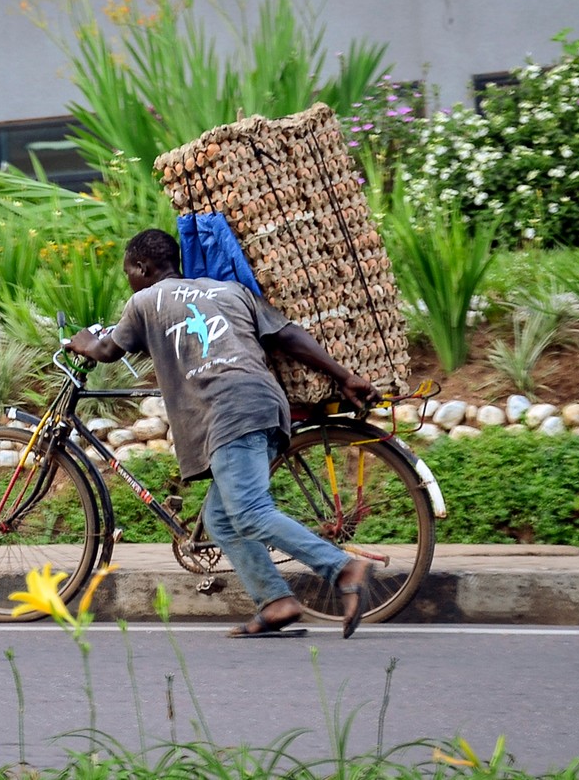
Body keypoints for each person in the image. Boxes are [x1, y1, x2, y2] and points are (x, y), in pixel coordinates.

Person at [65, 228, 384, 639]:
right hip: (265, 403)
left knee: (249, 511)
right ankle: (276, 602)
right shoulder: (228, 290)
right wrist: (345, 376)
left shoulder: (144, 300)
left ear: (142, 268)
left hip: (229, 410)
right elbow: (286, 335)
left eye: (129, 271)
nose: (129, 278)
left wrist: (83, 341)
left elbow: (107, 351)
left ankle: (342, 568)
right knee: (220, 519)